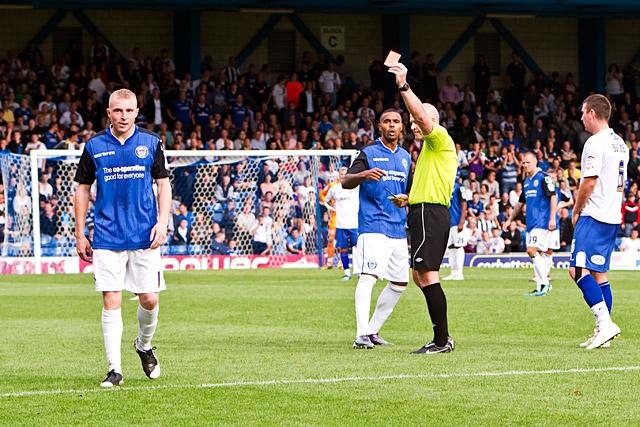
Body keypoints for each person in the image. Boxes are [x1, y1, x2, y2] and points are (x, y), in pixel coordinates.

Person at [74, 88, 172, 387]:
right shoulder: (94, 146)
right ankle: (114, 369)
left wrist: (162, 222)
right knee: (111, 299)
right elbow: (82, 189)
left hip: (145, 234)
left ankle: (143, 345)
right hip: (106, 235)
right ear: (109, 113)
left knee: (150, 300)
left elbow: (164, 184)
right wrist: (79, 233)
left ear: (136, 111)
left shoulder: (151, 142)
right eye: (118, 110)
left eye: (129, 111)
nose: (124, 116)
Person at [388, 61, 458, 354]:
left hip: (431, 213)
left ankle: (442, 341)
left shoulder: (439, 138)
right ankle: (441, 338)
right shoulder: (430, 150)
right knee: (421, 276)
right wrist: (410, 198)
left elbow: (421, 114)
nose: (413, 124)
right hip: (423, 209)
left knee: (427, 275)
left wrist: (404, 85)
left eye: (418, 120)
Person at [342, 108, 411, 349]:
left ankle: (372, 331)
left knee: (400, 282)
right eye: (387, 122)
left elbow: (410, 191)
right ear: (379, 126)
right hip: (373, 226)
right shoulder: (368, 152)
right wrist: (364, 174)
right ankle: (361, 334)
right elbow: (345, 182)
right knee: (368, 276)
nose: (392, 125)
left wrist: (407, 199)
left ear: (402, 127)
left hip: (398, 228)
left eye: (396, 122)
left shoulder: (406, 157)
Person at [570, 94, 628, 350]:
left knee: (577, 270)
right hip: (612, 214)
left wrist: (576, 210)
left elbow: (590, 181)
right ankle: (603, 331)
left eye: (583, 112)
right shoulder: (620, 143)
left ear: (592, 113)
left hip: (595, 214)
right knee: (599, 273)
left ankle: (605, 323)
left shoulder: (595, 142)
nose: (581, 117)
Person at [503, 152, 557, 297]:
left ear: (535, 162)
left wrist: (552, 218)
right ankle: (540, 288)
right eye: (523, 162)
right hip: (531, 224)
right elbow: (520, 204)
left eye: (528, 162)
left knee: (531, 251)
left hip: (542, 222)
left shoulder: (543, 177)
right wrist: (509, 220)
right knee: (538, 253)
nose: (525, 165)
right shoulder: (527, 182)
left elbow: (553, 197)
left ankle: (545, 282)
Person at [324, 166, 359, 280]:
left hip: (354, 223)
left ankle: (359, 272)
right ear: (339, 176)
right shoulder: (335, 189)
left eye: (345, 174)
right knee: (343, 248)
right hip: (341, 224)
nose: (343, 177)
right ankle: (347, 273)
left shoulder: (356, 187)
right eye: (341, 175)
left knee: (358, 248)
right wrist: (333, 208)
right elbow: (326, 200)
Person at [443, 182, 470, 281]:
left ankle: (459, 273)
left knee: (458, 247)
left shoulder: (459, 187)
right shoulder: (444, 185)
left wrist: (461, 221)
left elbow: (464, 204)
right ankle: (453, 272)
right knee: (451, 247)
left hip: (457, 221)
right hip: (447, 222)